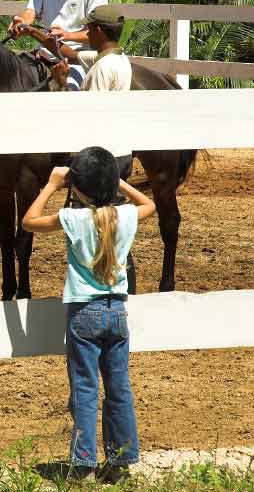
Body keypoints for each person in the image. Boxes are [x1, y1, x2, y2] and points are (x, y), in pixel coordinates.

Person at [21, 147, 156, 483]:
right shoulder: (124, 216)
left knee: (85, 388)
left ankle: (83, 464)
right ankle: (120, 461)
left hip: (84, 313)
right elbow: (149, 205)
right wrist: (120, 185)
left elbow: (28, 221)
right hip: (116, 312)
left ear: (76, 187)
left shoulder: (73, 219)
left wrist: (51, 185)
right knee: (119, 387)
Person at [47, 4, 134, 179]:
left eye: (89, 29)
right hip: (121, 152)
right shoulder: (119, 58)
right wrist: (37, 34)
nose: (87, 33)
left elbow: (88, 114)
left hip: (100, 159)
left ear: (99, 30)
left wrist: (61, 84)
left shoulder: (102, 68)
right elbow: (72, 55)